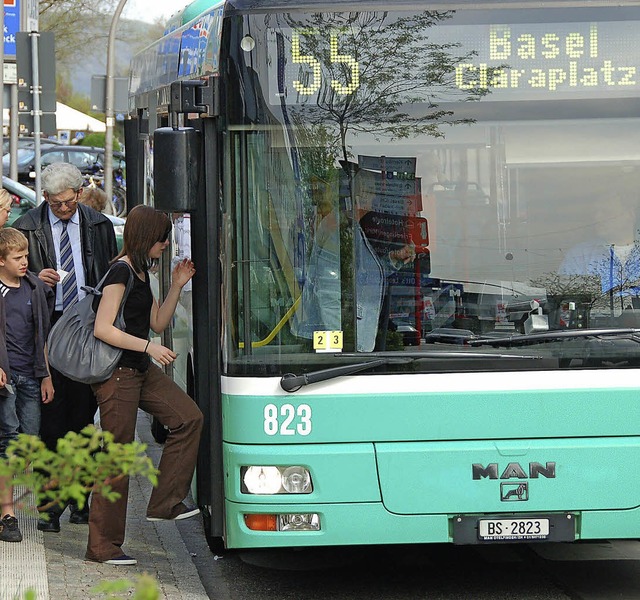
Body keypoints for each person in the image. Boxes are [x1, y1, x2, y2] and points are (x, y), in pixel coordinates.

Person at [85, 204, 203, 566]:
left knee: (188, 418)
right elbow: (102, 328)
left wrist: (177, 286)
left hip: (139, 369)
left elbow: (156, 321)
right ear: (145, 237)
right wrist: (149, 348)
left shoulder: (140, 270)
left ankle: (165, 503)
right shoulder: (120, 271)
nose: (166, 244)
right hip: (118, 374)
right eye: (162, 238)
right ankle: (102, 547)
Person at [13, 162, 118, 532]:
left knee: (84, 418)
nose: (62, 209)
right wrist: (33, 278)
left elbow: (110, 272)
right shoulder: (27, 226)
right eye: (55, 204)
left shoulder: (98, 224)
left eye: (68, 203)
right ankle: (48, 506)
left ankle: (79, 501)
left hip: (89, 329)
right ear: (44, 197)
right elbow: (9, 275)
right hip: (48, 329)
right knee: (51, 420)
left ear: (78, 193)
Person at [0, 228, 55, 542]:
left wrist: (46, 374)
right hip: (6, 379)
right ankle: (8, 515)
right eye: (17, 258)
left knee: (30, 439)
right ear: (1, 260)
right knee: (8, 442)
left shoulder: (33, 287)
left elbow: (41, 335)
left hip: (31, 375)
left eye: (25, 257)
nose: (24, 263)